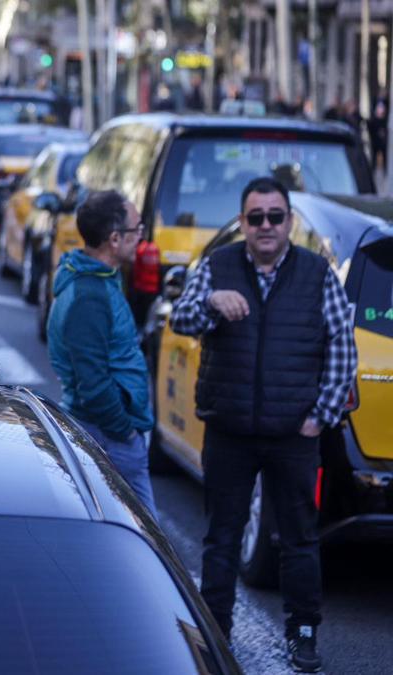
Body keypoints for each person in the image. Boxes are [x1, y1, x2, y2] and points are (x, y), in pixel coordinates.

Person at [169, 177, 356, 673]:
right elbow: (180, 320)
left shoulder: (317, 274)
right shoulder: (218, 265)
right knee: (221, 540)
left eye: (276, 216)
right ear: (243, 223)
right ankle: (215, 633)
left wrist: (321, 416)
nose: (267, 226)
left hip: (295, 435)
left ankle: (303, 634)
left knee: (299, 540)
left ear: (289, 221)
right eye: (256, 217)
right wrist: (210, 302)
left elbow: (342, 346)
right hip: (229, 431)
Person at [46, 190, 156, 514]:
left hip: (107, 432)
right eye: (137, 230)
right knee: (146, 541)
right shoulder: (89, 296)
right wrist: (125, 431)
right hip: (108, 436)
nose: (141, 237)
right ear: (114, 239)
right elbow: (92, 383)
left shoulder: (101, 278)